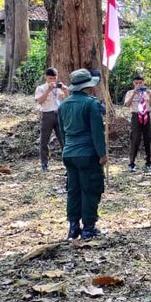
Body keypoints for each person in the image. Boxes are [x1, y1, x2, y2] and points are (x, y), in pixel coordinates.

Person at [57, 69, 107, 241]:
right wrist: (102, 153)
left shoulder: (63, 105)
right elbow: (97, 132)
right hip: (87, 153)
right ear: (87, 86)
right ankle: (88, 228)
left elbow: (62, 133)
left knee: (73, 190)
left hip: (69, 153)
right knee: (90, 190)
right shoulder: (91, 104)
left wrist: (67, 149)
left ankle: (73, 227)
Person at [34, 67, 68, 171]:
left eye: (54, 78)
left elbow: (66, 100)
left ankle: (68, 163)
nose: (52, 81)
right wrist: (48, 90)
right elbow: (39, 101)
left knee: (63, 139)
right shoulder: (41, 88)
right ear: (46, 78)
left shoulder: (59, 88)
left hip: (59, 114)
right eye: (50, 78)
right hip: (47, 114)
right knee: (44, 140)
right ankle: (44, 164)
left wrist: (65, 91)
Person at [123, 74, 151, 172]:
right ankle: (132, 163)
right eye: (136, 83)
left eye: (140, 83)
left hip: (146, 115)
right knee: (135, 139)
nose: (138, 85)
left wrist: (149, 95)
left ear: (143, 82)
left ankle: (148, 163)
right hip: (136, 116)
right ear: (133, 83)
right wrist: (134, 93)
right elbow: (126, 104)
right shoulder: (130, 92)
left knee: (148, 138)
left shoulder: (148, 92)